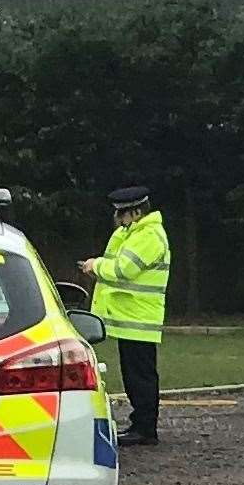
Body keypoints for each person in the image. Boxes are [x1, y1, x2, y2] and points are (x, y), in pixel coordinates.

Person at [81, 186, 170, 447]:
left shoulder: (149, 236)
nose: (118, 219)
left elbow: (124, 270)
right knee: (135, 374)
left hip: (139, 319)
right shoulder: (135, 234)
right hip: (132, 318)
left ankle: (145, 428)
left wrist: (94, 265)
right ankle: (140, 424)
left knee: (140, 376)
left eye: (122, 214)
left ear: (136, 212)